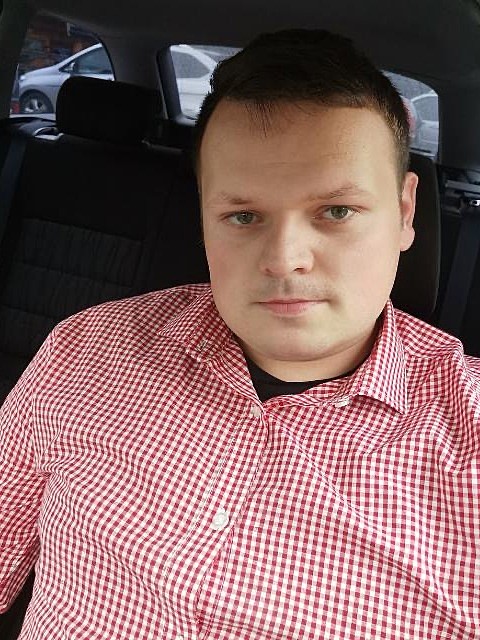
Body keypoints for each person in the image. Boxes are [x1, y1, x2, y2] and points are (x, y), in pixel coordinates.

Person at [1, 28, 479, 640]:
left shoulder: (468, 443)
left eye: (337, 211)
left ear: (406, 212)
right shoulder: (86, 350)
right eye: (243, 215)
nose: (284, 260)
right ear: (203, 218)